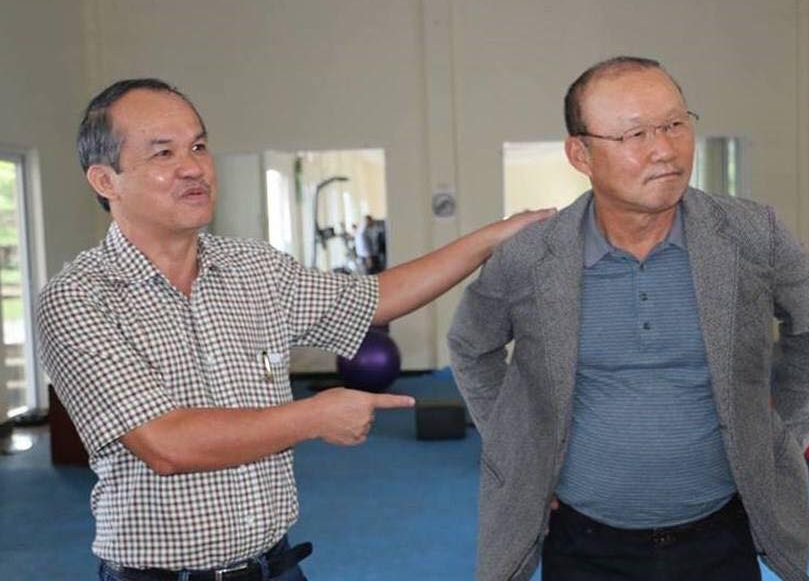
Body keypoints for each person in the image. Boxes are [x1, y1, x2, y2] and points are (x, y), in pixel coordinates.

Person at [37, 78, 552, 581]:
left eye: (198, 146)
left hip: (274, 564)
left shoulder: (254, 268)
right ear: (105, 181)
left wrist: (493, 238)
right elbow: (166, 444)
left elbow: (377, 297)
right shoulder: (78, 299)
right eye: (163, 153)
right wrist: (314, 416)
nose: (193, 167)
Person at [447, 56, 809, 581]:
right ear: (580, 154)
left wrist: (780, 442)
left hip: (721, 536)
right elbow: (471, 345)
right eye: (635, 134)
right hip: (584, 544)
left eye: (675, 124)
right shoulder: (530, 256)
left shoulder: (752, 235)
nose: (665, 149)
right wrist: (520, 449)